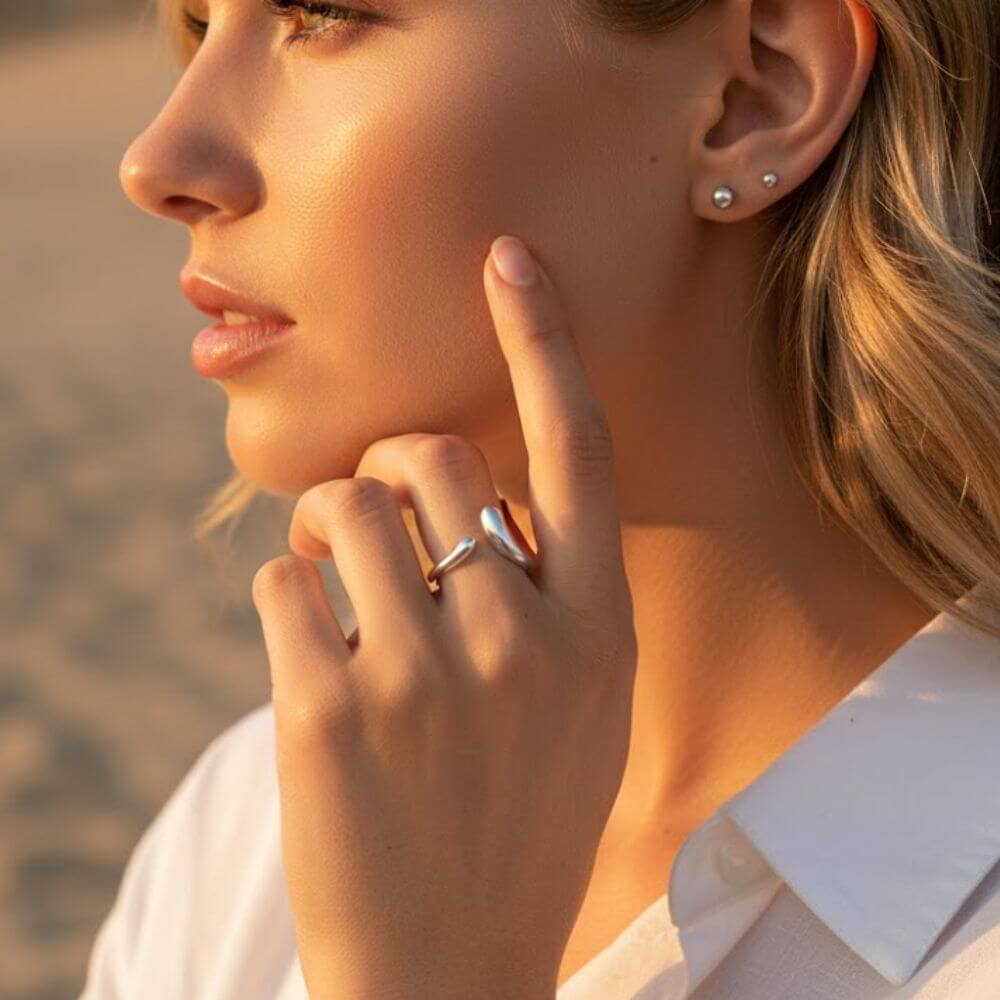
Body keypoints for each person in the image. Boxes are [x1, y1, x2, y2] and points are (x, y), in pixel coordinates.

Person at [82, 0, 1000, 996]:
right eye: (194, 23)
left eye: (319, 14)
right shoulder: (245, 826)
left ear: (754, 92)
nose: (157, 159)